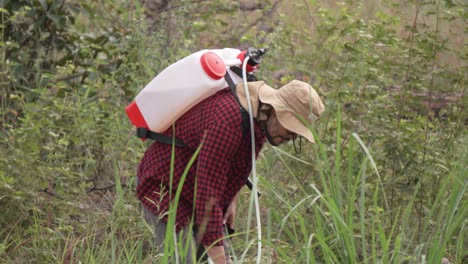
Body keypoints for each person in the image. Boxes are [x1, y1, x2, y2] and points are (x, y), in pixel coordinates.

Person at [136, 80, 325, 263]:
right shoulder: (228, 121)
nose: (290, 137)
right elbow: (207, 195)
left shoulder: (260, 119)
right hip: (166, 188)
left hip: (199, 192)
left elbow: (233, 163)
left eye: (296, 133)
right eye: (290, 128)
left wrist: (232, 198)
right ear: (275, 109)